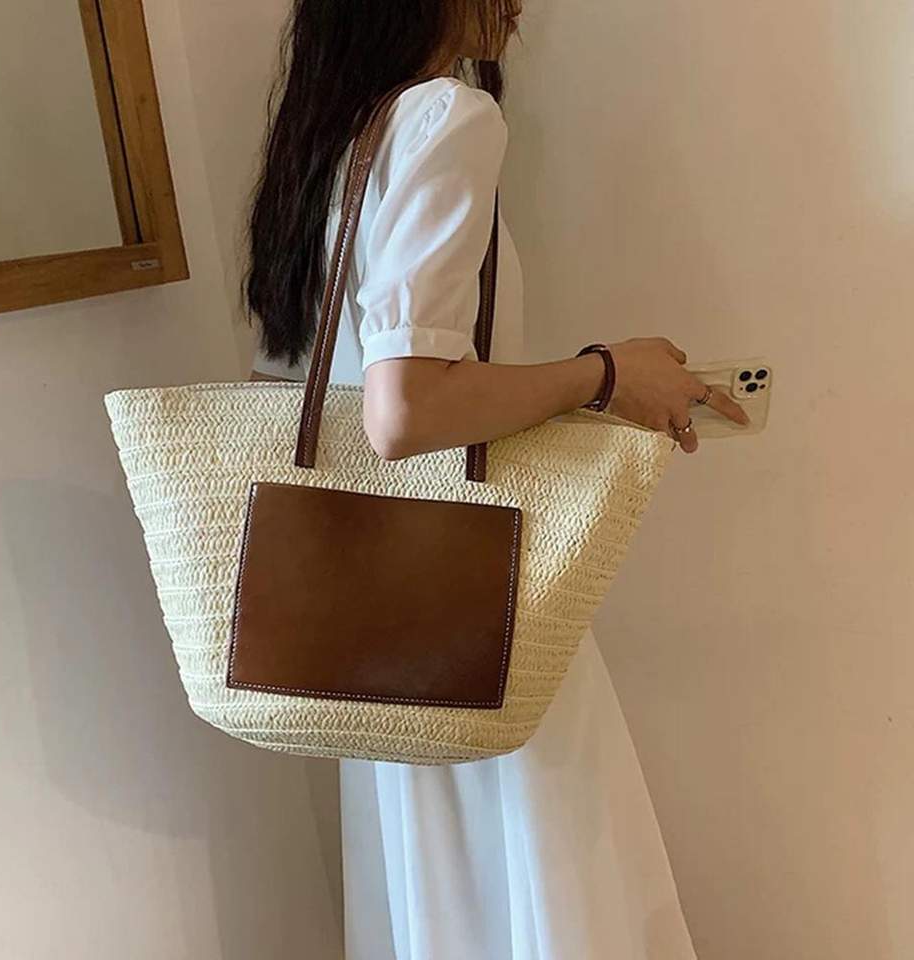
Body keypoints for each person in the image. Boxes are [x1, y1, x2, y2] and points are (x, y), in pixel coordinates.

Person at [245, 3, 748, 957]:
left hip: (365, 620)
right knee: (541, 876)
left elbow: (336, 394)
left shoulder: (333, 138)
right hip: (471, 597)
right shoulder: (445, 115)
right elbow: (404, 413)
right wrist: (606, 375)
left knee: (445, 898)